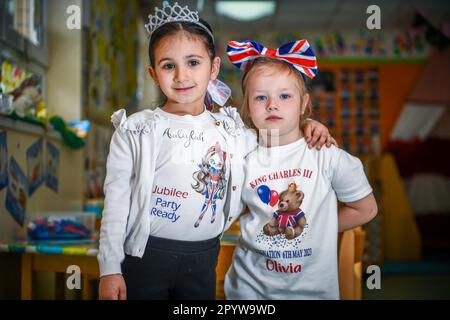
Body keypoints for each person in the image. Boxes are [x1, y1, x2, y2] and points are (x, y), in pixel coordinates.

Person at [97, 2, 334, 300]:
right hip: (146, 256)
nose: (182, 76)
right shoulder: (135, 130)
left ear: (214, 67)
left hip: (204, 255)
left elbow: (277, 139)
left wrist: (307, 124)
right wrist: (109, 269)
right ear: (153, 74)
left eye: (193, 62)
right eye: (168, 65)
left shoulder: (232, 130)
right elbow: (116, 202)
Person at [224, 39, 378, 299]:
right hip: (249, 291)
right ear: (247, 106)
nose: (272, 104)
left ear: (304, 103)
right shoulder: (241, 154)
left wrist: (318, 228)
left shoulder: (327, 156)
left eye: (285, 96)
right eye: (261, 97)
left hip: (313, 293)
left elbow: (367, 209)